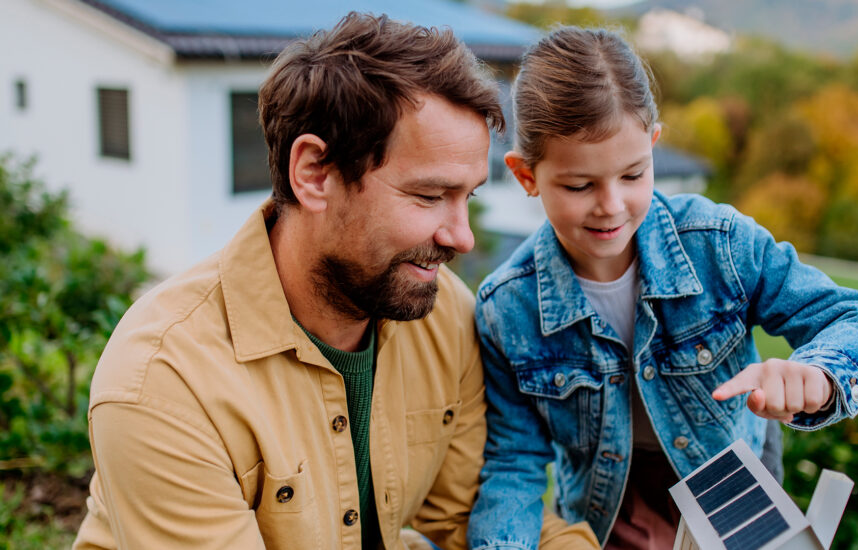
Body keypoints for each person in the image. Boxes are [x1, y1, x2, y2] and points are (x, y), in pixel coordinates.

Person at [72, 12, 596, 550]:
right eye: (428, 196)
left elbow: (477, 513)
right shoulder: (163, 382)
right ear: (314, 174)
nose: (462, 237)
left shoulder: (444, 316)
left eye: (469, 196)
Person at [467, 27, 858, 550]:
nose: (611, 206)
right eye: (580, 185)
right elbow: (513, 464)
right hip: (606, 522)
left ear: (653, 145)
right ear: (525, 175)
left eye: (633, 175)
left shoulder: (720, 245)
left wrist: (822, 375)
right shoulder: (506, 309)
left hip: (739, 512)